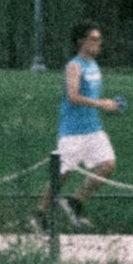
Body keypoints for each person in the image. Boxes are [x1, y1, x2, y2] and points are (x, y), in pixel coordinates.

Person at [53, 25, 119, 223]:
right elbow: (73, 96)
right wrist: (101, 103)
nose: (98, 43)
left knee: (107, 165)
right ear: (81, 41)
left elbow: (91, 96)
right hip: (73, 131)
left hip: (93, 128)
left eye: (99, 39)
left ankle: (75, 202)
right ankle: (39, 213)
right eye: (93, 39)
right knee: (62, 175)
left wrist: (111, 106)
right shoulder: (75, 66)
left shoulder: (93, 65)